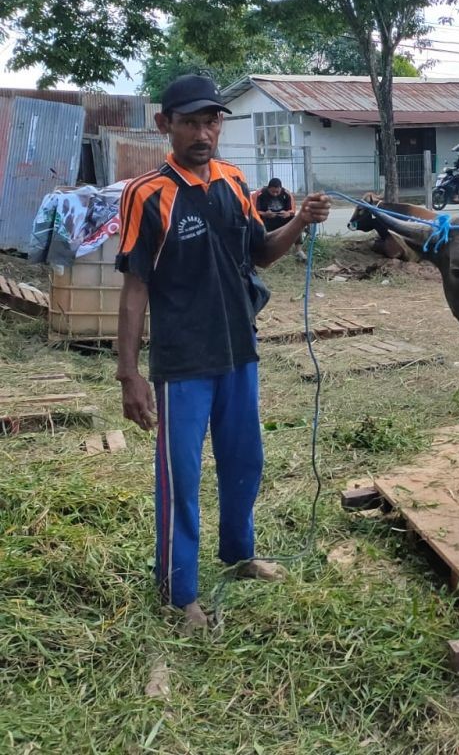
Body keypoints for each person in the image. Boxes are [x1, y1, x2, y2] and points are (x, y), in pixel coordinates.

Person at [115, 74, 332, 633]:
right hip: (183, 362)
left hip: (240, 351)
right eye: (189, 122)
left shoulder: (236, 182)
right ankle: (178, 591)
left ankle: (238, 555)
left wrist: (299, 224)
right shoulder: (147, 194)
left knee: (244, 462)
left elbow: (260, 253)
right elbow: (135, 287)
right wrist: (128, 375)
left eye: (211, 121)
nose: (203, 132)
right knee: (180, 478)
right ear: (166, 125)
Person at [255, 177, 306, 262]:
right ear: (268, 189)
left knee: (296, 221)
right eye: (272, 192)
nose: (275, 194)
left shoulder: (286, 194)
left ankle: (299, 250)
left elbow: (292, 210)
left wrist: (287, 213)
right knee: (255, 222)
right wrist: (265, 214)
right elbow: (253, 211)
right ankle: (262, 251)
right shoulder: (260, 194)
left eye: (277, 192)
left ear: (281, 189)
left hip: (282, 220)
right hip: (266, 220)